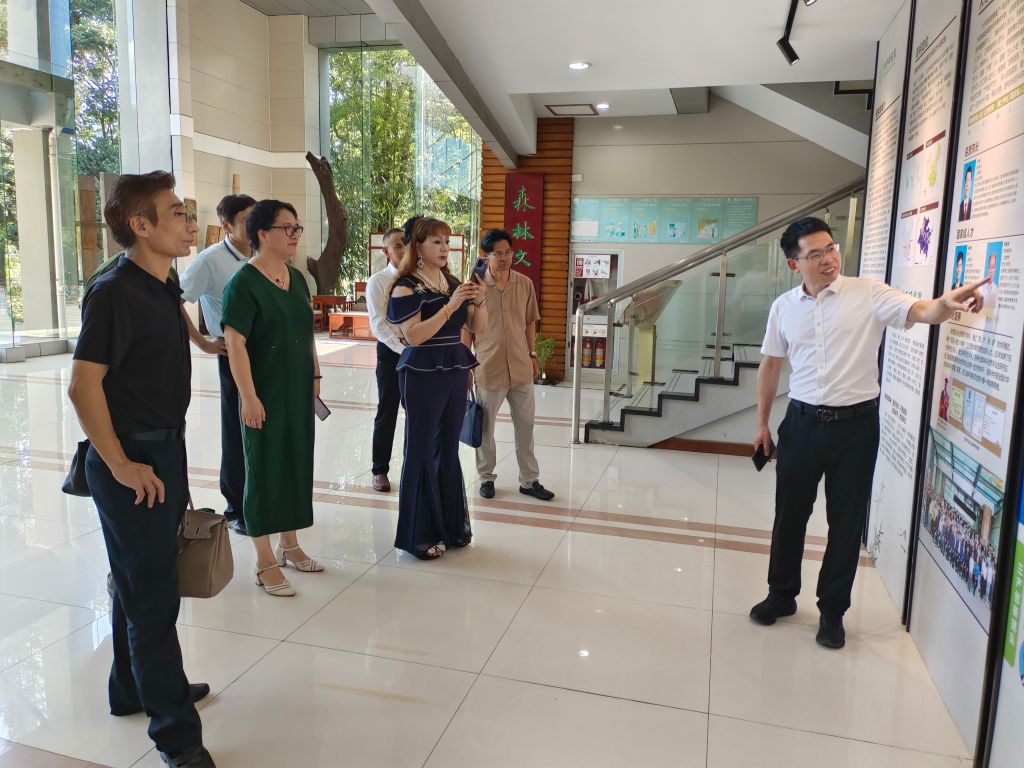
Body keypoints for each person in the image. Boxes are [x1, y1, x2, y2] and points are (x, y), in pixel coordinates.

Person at [750, 216, 987, 650]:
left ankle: (832, 611)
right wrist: (762, 423)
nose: (828, 259)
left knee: (846, 521)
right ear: (793, 264)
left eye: (831, 248)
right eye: (815, 254)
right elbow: (770, 365)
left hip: (855, 427)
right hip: (801, 423)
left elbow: (921, 311)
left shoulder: (868, 293)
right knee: (789, 515)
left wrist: (945, 303)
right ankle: (781, 595)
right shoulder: (784, 307)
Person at [67, 171, 215, 768]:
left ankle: (131, 688)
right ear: (141, 225)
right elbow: (82, 386)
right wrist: (122, 465)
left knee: (140, 579)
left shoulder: (163, 281)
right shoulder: (114, 293)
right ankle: (177, 735)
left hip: (164, 453)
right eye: (176, 213)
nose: (189, 222)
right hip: (133, 463)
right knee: (153, 599)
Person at [222, 200, 322, 597]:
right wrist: (248, 397)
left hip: (297, 390)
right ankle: (264, 560)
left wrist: (315, 373)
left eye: (297, 228)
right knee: (264, 471)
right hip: (262, 392)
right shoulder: (243, 284)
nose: (295, 234)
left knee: (295, 464)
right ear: (262, 234)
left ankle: (289, 544)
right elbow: (235, 344)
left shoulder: (296, 279)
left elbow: (306, 332)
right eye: (287, 228)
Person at [386, 217, 488, 559]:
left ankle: (451, 527)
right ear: (418, 247)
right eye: (436, 242)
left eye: (447, 241)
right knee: (420, 447)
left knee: (447, 447)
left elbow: (477, 326)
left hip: (454, 367)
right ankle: (419, 535)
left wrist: (479, 301)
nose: (445, 248)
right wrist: (451, 306)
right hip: (422, 369)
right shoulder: (405, 287)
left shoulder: (452, 282)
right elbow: (414, 336)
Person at [179, 194, 256, 535]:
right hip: (234, 354)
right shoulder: (209, 261)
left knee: (265, 428)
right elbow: (175, 299)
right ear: (227, 225)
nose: (254, 226)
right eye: (246, 220)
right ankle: (236, 506)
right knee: (238, 431)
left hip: (268, 355)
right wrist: (201, 341)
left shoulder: (262, 255)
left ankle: (262, 498)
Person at [472, 228, 554, 501]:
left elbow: (530, 321)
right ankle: (486, 477)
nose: (505, 258)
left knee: (526, 426)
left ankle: (529, 481)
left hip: (520, 365)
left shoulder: (524, 283)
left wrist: (532, 353)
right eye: (498, 253)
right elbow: (466, 328)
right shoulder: (476, 286)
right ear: (485, 255)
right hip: (488, 365)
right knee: (486, 428)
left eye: (508, 252)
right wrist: (465, 365)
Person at [366, 227, 407, 492]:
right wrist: (404, 349)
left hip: (417, 352)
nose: (403, 249)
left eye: (406, 244)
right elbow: (378, 325)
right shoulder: (378, 281)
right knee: (387, 410)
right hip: (391, 353)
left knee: (418, 412)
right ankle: (379, 470)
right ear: (386, 251)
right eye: (397, 245)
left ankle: (414, 467)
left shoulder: (419, 279)